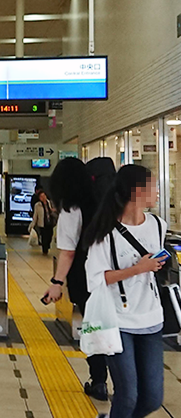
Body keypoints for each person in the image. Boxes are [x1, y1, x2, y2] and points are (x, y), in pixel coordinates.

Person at [84, 165, 166, 418]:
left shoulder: (157, 225)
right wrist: (138, 268)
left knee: (152, 398)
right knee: (128, 395)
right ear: (136, 191)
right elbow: (95, 279)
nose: (158, 192)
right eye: (153, 187)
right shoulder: (105, 232)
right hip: (117, 320)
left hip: (151, 318)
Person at [43, 158, 108, 401]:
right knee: (116, 326)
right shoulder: (107, 201)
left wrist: (57, 283)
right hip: (113, 274)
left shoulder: (72, 208)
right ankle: (126, 379)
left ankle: (99, 380)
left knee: (94, 327)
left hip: (86, 276)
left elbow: (68, 251)